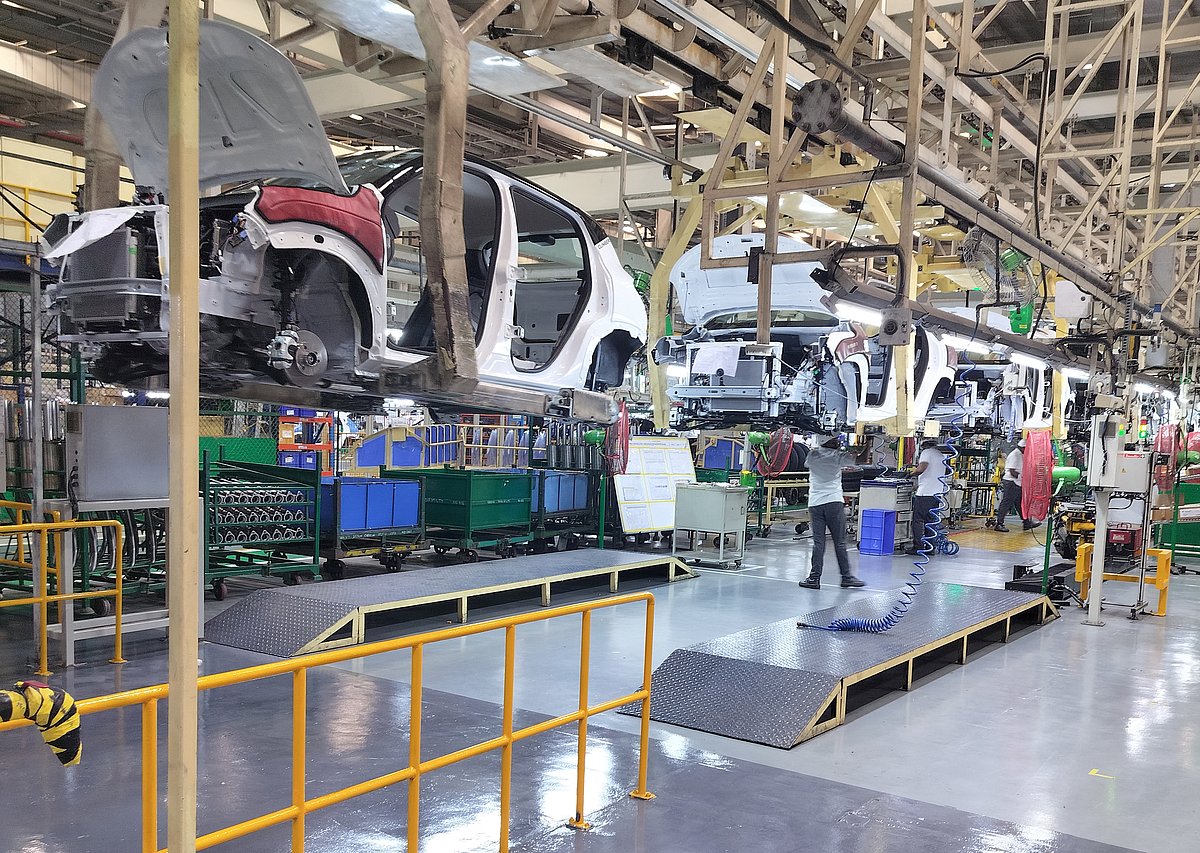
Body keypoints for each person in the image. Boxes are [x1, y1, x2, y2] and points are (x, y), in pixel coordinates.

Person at [798, 435, 866, 590]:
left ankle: (814, 578)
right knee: (840, 542)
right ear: (826, 441)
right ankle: (846, 577)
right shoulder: (838, 456)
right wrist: (868, 442)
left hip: (815, 503)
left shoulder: (813, 455)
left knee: (819, 543)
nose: (838, 442)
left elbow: (807, 463)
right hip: (834, 502)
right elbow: (861, 460)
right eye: (835, 440)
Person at [908, 438, 949, 554]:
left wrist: (910, 474)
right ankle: (930, 548)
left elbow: (922, 468)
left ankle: (917, 547)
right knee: (930, 522)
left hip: (925, 492)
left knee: (917, 520)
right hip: (936, 493)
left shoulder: (926, 453)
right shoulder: (940, 455)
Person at [994, 438, 1040, 532]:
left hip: (1017, 483)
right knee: (1006, 503)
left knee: (1020, 504)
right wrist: (1024, 477)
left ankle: (1026, 523)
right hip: (1011, 482)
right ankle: (999, 524)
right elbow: (1012, 471)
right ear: (1022, 447)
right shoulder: (1015, 455)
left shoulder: (1021, 455)